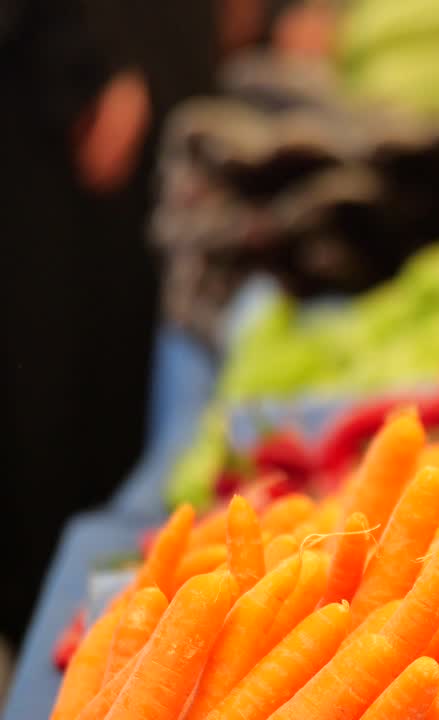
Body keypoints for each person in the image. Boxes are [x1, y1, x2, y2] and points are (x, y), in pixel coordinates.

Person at [0, 0, 314, 651]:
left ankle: (113, 625)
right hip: (71, 108)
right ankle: (74, 638)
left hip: (150, 77)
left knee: (125, 382)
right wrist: (80, 65)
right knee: (62, 408)